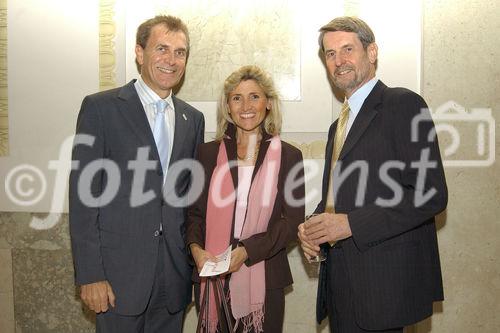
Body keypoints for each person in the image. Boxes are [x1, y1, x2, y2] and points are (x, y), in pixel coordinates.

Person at [298, 17, 447, 332]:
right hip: (342, 290)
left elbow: (431, 193)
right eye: (330, 53)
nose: (339, 61)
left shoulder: (404, 104)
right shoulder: (336, 127)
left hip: (386, 291)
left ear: (372, 51)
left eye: (348, 49)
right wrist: (314, 228)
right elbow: (336, 202)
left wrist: (351, 223)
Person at [69, 15, 205, 332]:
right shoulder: (100, 109)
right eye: (162, 48)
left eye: (180, 52)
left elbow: (190, 199)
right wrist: (90, 274)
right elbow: (83, 200)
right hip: (116, 279)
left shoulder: (192, 119)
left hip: (173, 281)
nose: (171, 60)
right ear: (140, 53)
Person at [186, 65, 305, 333]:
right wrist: (196, 250)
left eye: (254, 96)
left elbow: (291, 223)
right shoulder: (206, 154)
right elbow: (194, 214)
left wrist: (247, 252)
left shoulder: (289, 156)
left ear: (268, 104)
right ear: (227, 106)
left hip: (263, 277)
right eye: (236, 98)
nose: (245, 105)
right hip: (211, 277)